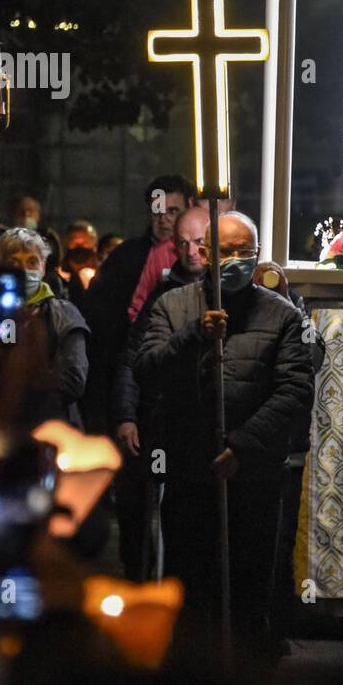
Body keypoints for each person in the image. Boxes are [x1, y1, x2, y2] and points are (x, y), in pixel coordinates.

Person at [134, 213, 314, 661]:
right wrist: (195, 336)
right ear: (204, 253)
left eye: (244, 252)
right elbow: (148, 370)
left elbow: (293, 390)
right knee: (192, 581)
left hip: (253, 476)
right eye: (226, 251)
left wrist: (244, 446)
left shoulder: (282, 315)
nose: (234, 261)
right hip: (190, 468)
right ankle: (192, 684)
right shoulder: (172, 306)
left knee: (249, 583)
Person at [109, 206, 210, 580]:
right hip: (163, 422)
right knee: (149, 514)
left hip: (208, 429)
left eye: (199, 242)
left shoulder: (229, 292)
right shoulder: (161, 296)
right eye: (182, 243)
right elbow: (131, 359)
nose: (191, 251)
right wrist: (125, 415)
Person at [253, 261, 328, 654]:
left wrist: (284, 301)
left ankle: (272, 632)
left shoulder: (292, 304)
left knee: (279, 545)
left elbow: (313, 355)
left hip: (285, 449)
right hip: (241, 448)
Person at [83, 173, 195, 432]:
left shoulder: (199, 258)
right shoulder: (124, 256)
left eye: (173, 211)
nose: (164, 219)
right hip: (122, 370)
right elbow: (98, 313)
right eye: (158, 211)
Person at [0, 228, 89, 429]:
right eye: (13, 263)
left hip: (51, 427)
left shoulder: (63, 315)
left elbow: (74, 379)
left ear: (43, 267)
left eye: (32, 262)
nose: (23, 270)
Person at [62, 219, 99, 312]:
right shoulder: (59, 276)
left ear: (94, 245)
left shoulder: (102, 275)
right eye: (74, 242)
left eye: (85, 243)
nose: (79, 247)